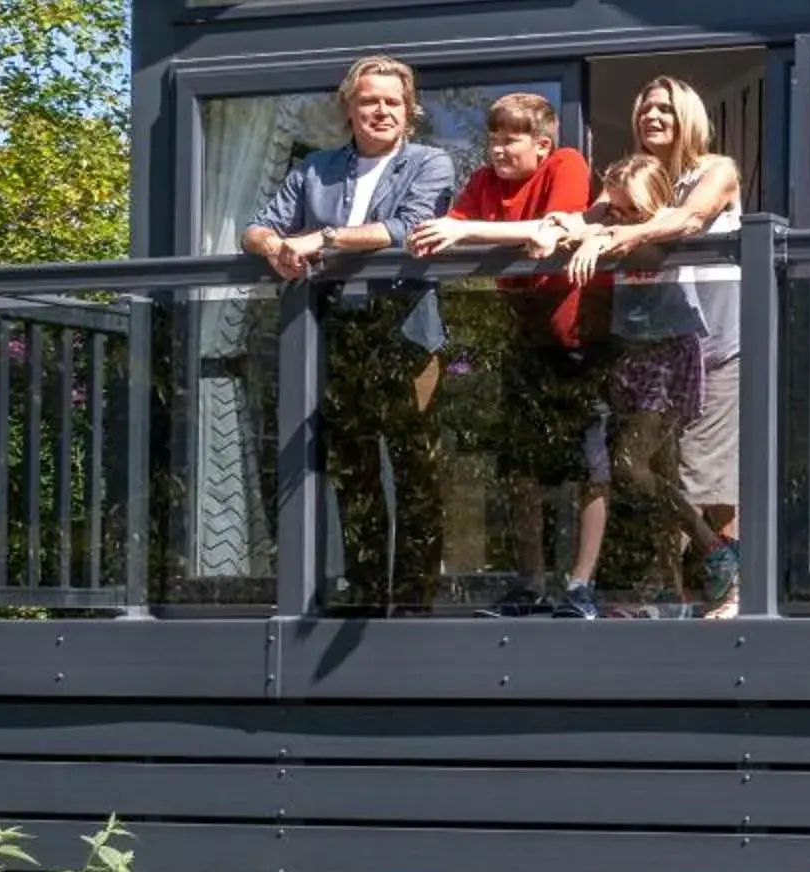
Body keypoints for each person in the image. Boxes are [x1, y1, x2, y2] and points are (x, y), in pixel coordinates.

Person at [241, 54, 458, 613]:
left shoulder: (430, 163)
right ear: (350, 109)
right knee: (353, 474)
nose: (381, 111)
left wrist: (322, 238)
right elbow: (258, 226)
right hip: (336, 336)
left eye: (392, 101)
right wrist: (276, 246)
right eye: (369, 101)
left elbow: (409, 228)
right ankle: (364, 597)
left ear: (409, 111)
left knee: (417, 474)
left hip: (406, 336)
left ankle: (413, 604)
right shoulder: (316, 167)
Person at [406, 91, 607, 617]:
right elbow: (446, 235)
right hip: (522, 339)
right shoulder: (482, 183)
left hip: (580, 341)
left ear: (542, 145)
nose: (497, 150)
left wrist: (469, 228)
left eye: (510, 139)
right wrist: (463, 230)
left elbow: (559, 225)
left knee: (592, 467)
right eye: (492, 139)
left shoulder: (567, 163)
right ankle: (531, 584)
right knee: (521, 468)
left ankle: (581, 586)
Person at [557, 77, 743, 615]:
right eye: (645, 109)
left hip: (718, 344)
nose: (652, 117)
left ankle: (733, 587)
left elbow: (688, 219)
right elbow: (581, 220)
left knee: (709, 478)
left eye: (665, 108)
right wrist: (554, 229)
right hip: (650, 342)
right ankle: (678, 594)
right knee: (660, 471)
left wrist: (613, 236)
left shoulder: (715, 170)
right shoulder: (637, 178)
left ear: (688, 115)